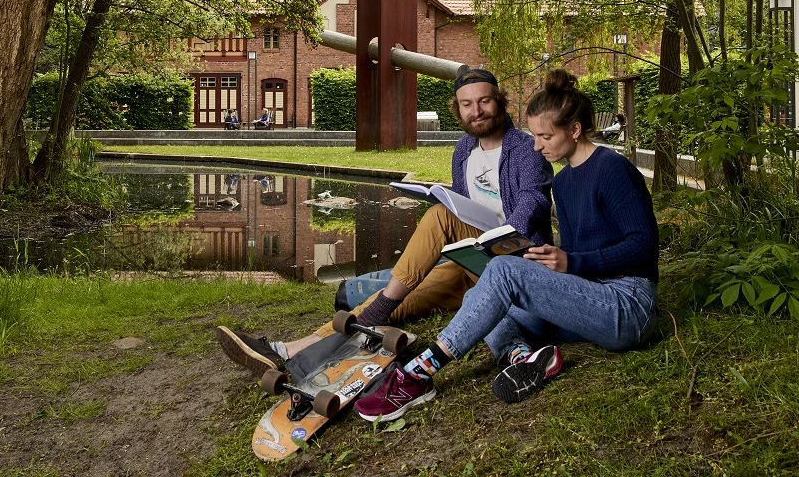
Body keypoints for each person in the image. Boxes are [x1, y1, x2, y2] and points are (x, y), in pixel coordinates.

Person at [353, 69, 658, 422]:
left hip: (627, 305)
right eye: (535, 136)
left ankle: (417, 375)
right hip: (587, 300)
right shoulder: (564, 182)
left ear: (574, 130)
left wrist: (572, 262)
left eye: (545, 136)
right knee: (482, 300)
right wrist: (559, 267)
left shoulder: (613, 169)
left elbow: (644, 245)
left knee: (501, 272)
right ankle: (522, 359)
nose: (537, 146)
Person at [216, 68, 554, 376]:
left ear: (499, 101)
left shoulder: (526, 149)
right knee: (390, 301)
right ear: (458, 109)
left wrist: (496, 236)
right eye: (467, 104)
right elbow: (467, 208)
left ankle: (374, 312)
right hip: (469, 265)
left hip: (513, 262)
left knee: (439, 218)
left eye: (484, 101)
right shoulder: (464, 150)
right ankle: (288, 350)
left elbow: (533, 202)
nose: (476, 111)